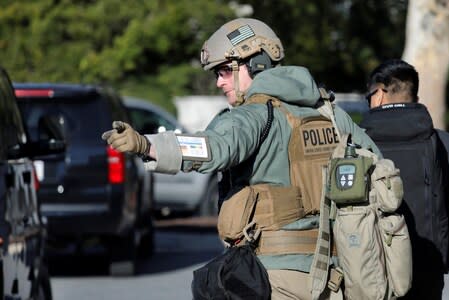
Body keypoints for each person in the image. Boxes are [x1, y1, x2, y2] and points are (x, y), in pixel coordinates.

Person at [103, 18, 381, 299]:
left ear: (257, 63)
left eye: (225, 70)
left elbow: (215, 146)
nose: (219, 82)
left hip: (274, 278)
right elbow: (378, 169)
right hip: (338, 277)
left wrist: (146, 145)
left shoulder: (255, 114)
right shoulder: (332, 115)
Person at [360, 59, 449, 300]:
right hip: (428, 268)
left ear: (380, 94)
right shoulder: (443, 143)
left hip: (373, 268)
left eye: (369, 96)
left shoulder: (359, 144)